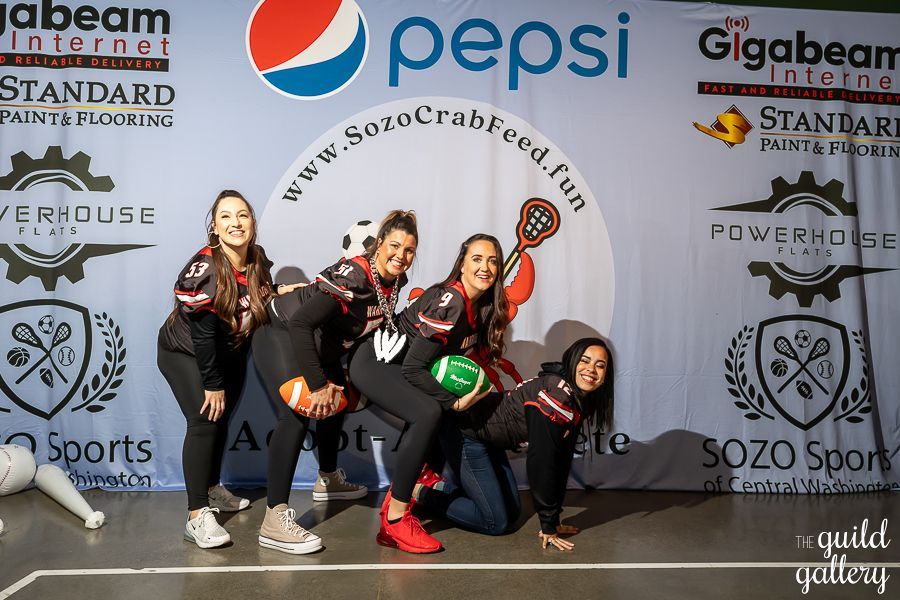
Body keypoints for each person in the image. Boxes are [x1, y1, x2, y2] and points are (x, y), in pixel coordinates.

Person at [251, 210, 418, 554]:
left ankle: (327, 479)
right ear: (379, 245)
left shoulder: (395, 280)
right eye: (395, 246)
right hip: (283, 332)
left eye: (410, 250)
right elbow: (300, 324)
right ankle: (273, 519)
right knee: (300, 409)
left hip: (322, 345)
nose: (401, 256)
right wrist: (316, 384)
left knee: (338, 396)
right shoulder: (356, 275)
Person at [349, 233, 509, 553]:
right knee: (429, 411)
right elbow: (412, 369)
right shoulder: (450, 301)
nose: (485, 267)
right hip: (374, 362)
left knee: (435, 409)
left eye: (492, 260)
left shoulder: (481, 309)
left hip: (399, 366)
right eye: (477, 259)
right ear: (462, 264)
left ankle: (413, 487)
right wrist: (453, 400)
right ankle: (395, 519)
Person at [157, 190, 288, 549]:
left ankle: (212, 488)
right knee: (203, 420)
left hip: (229, 351)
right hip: (185, 353)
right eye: (226, 217)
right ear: (214, 228)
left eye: (242, 215)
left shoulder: (256, 258)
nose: (236, 223)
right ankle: (196, 516)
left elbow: (252, 295)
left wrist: (278, 291)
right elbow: (201, 334)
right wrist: (212, 384)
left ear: (253, 223)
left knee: (223, 418)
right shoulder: (204, 269)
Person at [418, 337, 614, 551]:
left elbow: (562, 459)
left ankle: (441, 488)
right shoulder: (557, 397)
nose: (591, 369)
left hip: (491, 439)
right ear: (572, 361)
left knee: (512, 512)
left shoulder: (578, 398)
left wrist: (555, 518)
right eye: (584, 361)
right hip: (467, 432)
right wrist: (548, 526)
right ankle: (423, 493)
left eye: (600, 365)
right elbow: (542, 463)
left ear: (605, 376)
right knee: (495, 523)